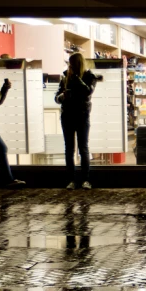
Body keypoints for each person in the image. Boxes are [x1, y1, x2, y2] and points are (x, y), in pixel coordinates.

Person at [55, 53, 100, 190]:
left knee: (83, 148)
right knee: (69, 148)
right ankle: (71, 180)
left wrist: (75, 79)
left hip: (82, 116)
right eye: (69, 63)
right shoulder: (64, 76)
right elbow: (56, 98)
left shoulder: (89, 76)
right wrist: (63, 96)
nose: (70, 66)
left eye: (72, 63)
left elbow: (88, 92)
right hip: (67, 115)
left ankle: (85, 179)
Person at [0, 56, 25, 189]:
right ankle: (8, 179)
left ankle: (8, 179)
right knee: (1, 148)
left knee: (2, 148)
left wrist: (5, 88)